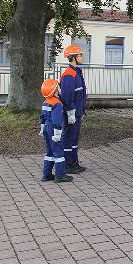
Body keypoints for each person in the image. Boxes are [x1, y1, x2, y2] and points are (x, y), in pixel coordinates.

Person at [60, 44, 88, 174]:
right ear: (73, 57)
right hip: (71, 113)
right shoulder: (69, 74)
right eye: (80, 55)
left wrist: (80, 110)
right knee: (68, 138)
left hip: (77, 112)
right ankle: (67, 164)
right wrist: (70, 112)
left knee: (74, 138)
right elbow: (66, 96)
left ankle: (73, 162)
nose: (82, 57)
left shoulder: (77, 72)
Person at [39, 79, 73, 183]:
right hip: (53, 129)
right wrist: (57, 133)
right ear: (54, 91)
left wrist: (42, 129)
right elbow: (57, 121)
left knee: (49, 152)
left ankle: (46, 174)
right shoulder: (57, 103)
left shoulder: (45, 102)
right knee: (58, 152)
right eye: (57, 87)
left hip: (46, 128)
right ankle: (60, 175)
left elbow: (42, 117)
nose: (59, 89)